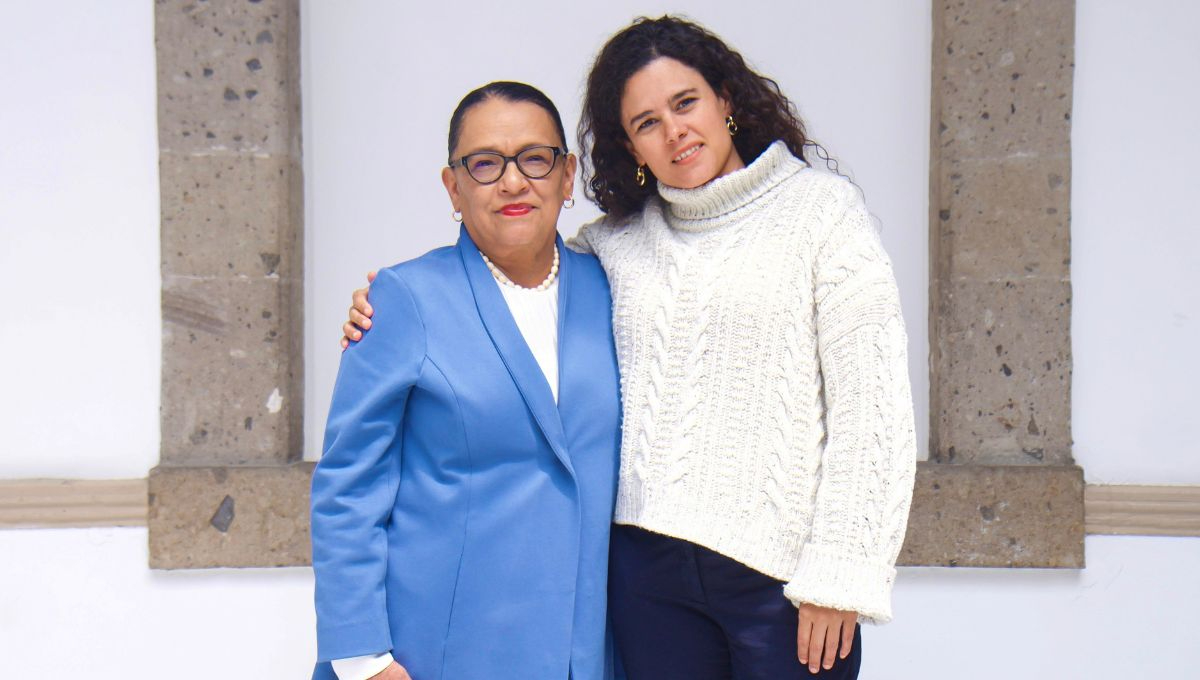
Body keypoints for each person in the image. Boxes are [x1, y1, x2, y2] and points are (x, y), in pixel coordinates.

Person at [342, 16, 917, 680]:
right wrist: (380, 306)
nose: (673, 130)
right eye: (646, 122)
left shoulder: (822, 214)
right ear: (630, 146)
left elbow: (872, 410)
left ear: (725, 101)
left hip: (781, 583)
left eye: (685, 103)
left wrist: (841, 574)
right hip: (645, 581)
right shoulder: (613, 247)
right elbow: (515, 287)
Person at [311, 82, 622, 680]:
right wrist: (364, 659)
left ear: (566, 176)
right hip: (436, 648)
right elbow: (347, 488)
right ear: (453, 186)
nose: (512, 181)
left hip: (583, 649)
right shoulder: (403, 299)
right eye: (485, 164)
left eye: (535, 158)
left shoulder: (613, 290)